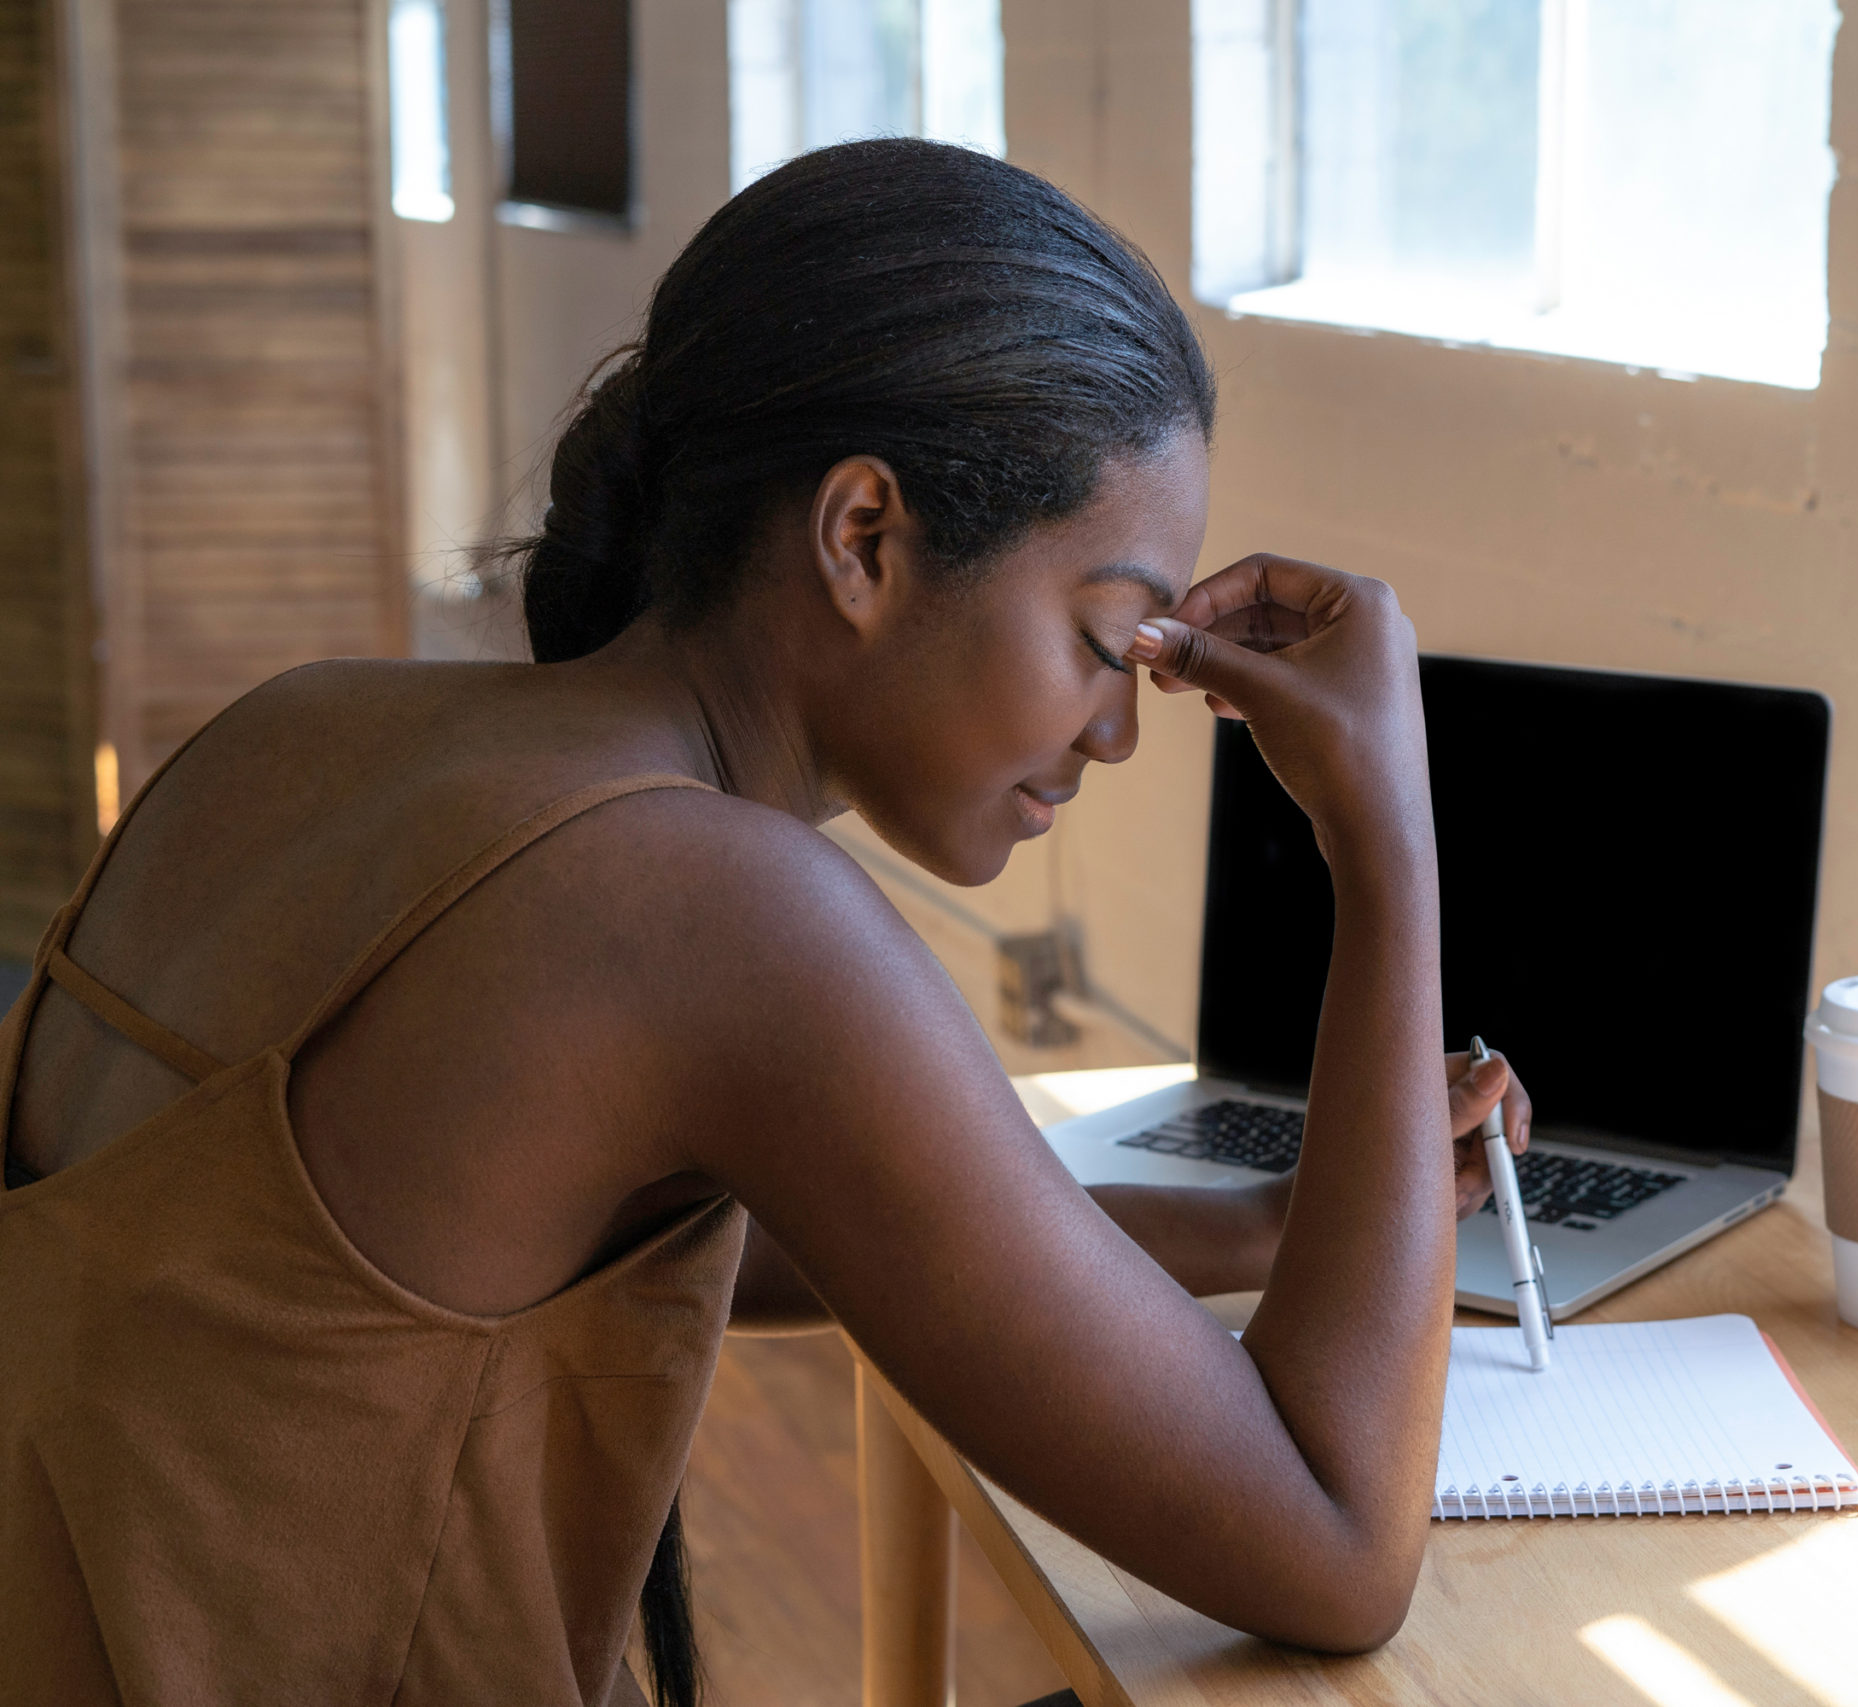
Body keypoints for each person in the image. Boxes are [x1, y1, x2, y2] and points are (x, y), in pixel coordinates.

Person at [0, 139, 1530, 1706]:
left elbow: (768, 1232)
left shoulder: (296, 728)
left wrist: (1278, 1228)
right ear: (863, 539)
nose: (1117, 731)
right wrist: (1383, 828)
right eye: (1100, 637)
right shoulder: (720, 915)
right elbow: (1338, 1550)